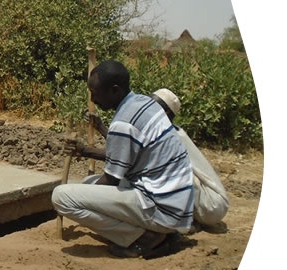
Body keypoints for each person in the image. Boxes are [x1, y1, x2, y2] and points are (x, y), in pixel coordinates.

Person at [51, 60, 194, 258]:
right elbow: (125, 152)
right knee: (87, 183)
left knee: (62, 197)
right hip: (175, 201)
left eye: (95, 92)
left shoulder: (123, 123)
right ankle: (156, 232)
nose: (93, 98)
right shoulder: (143, 103)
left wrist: (84, 202)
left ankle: (144, 238)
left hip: (162, 208)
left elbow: (111, 180)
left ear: (115, 91)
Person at [150, 88, 229, 226]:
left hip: (211, 204)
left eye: (152, 106)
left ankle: (180, 219)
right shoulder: (165, 131)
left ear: (166, 112)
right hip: (205, 202)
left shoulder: (172, 136)